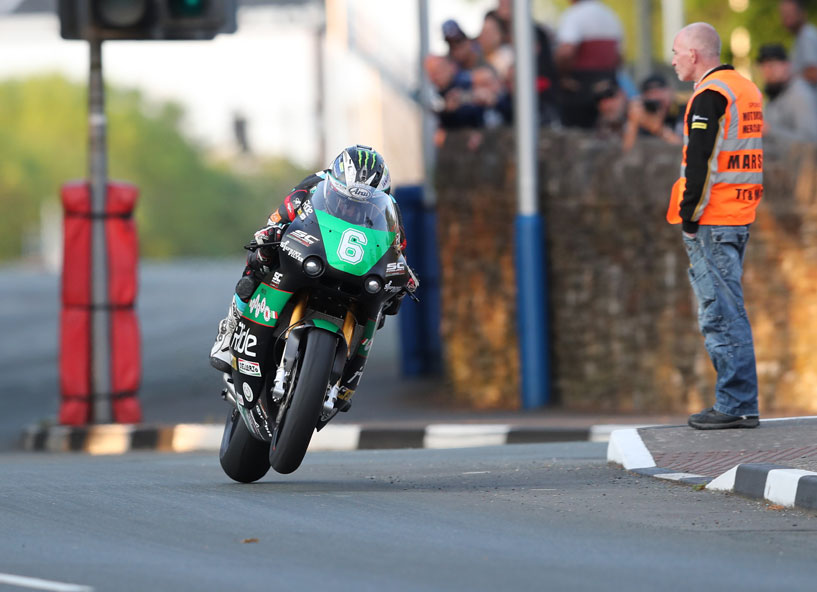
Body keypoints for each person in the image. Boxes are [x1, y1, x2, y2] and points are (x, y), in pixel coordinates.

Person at [209, 145, 416, 408]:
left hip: (356, 273)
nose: (353, 209)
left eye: (365, 203)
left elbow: (398, 249)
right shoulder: (315, 184)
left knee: (387, 305)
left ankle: (343, 379)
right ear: (335, 180)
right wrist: (270, 233)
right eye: (347, 200)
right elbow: (280, 217)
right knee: (257, 261)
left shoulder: (390, 210)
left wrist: (404, 277)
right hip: (313, 253)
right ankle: (229, 328)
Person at [667, 23, 763, 430]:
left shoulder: (710, 96)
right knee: (727, 309)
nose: (672, 60)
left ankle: (736, 403)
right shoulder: (744, 88)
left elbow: (700, 163)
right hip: (738, 214)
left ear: (694, 54)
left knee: (720, 313)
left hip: (714, 218)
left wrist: (689, 218)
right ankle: (737, 400)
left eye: (675, 51)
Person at [555, 0, 623, 128]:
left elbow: (566, 51)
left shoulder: (574, 14)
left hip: (579, 89)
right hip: (607, 85)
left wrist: (562, 76)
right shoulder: (610, 15)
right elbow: (619, 56)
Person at [756, 43, 817, 143]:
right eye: (763, 66)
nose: (767, 71)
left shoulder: (799, 94)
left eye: (771, 66)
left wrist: (769, 131)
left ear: (786, 65)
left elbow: (811, 141)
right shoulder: (775, 91)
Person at [622, 73, 683, 151]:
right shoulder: (641, 117)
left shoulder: (685, 113)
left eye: (660, 91)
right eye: (650, 93)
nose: (656, 96)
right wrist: (633, 122)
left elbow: (685, 149)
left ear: (671, 91)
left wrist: (659, 130)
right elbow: (627, 151)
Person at [779, 0, 817, 93]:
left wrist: (786, 77)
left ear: (802, 13)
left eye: (789, 13)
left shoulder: (807, 36)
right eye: (783, 14)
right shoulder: (800, 37)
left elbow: (814, 73)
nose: (786, 18)